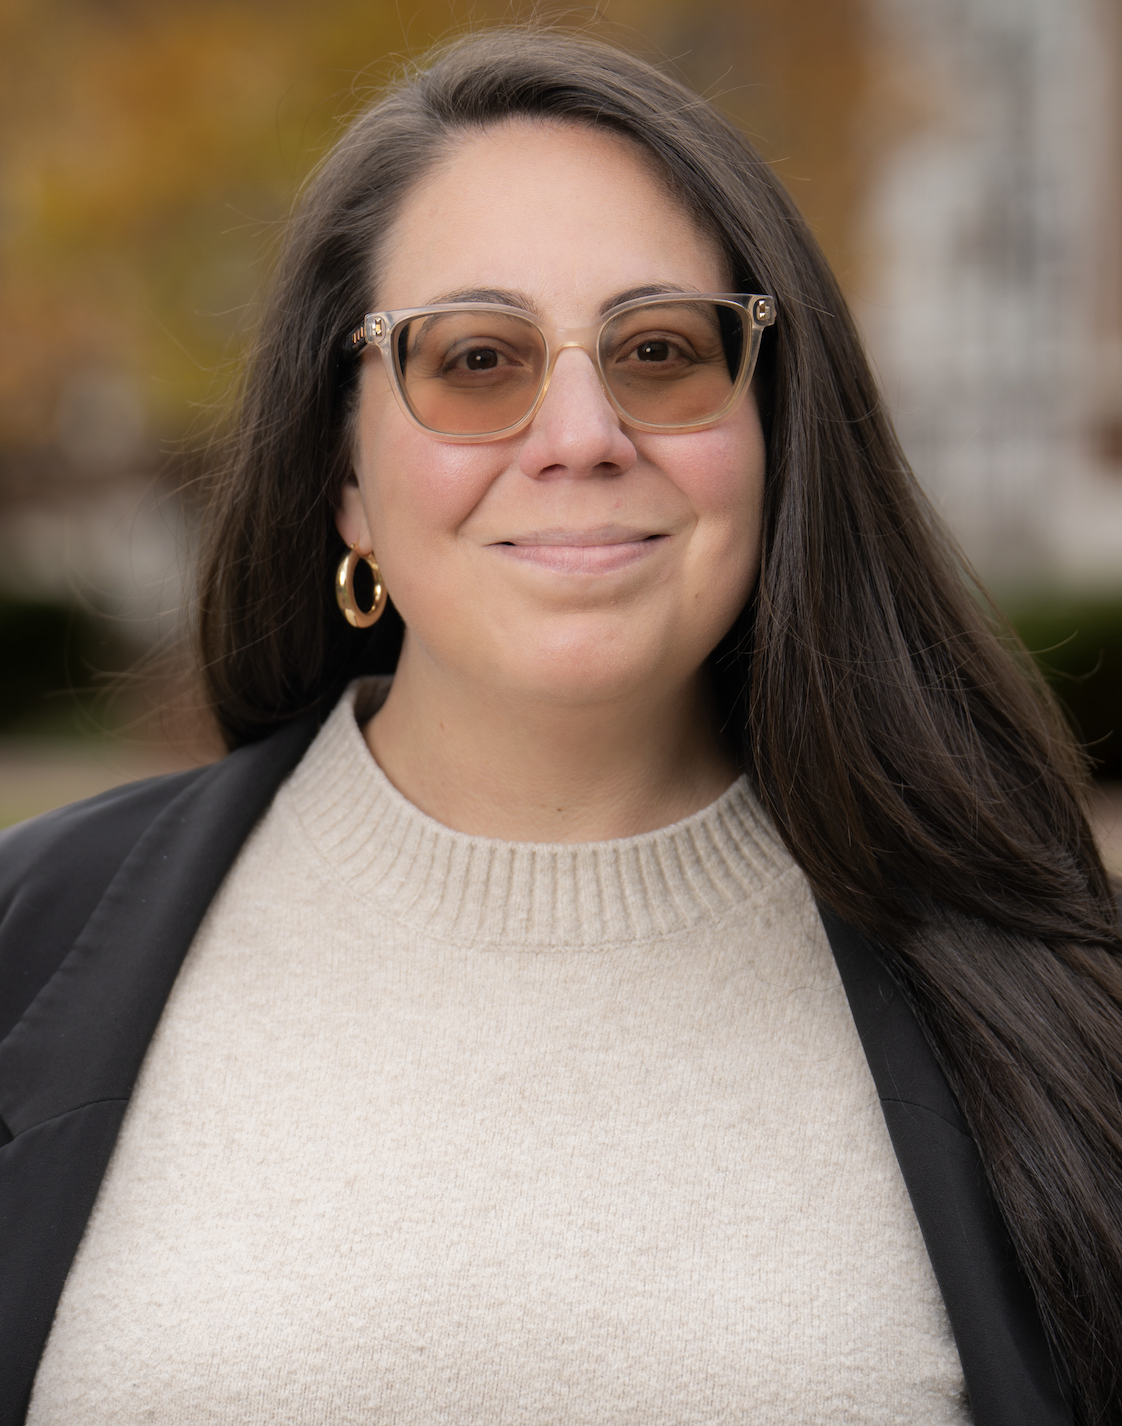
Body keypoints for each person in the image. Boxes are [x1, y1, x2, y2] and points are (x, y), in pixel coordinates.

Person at [1, 26, 1119, 1426]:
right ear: (341, 474)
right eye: (475, 358)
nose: (581, 430)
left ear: (773, 434)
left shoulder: (1050, 1011)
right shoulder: (22, 945)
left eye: (660, 349)